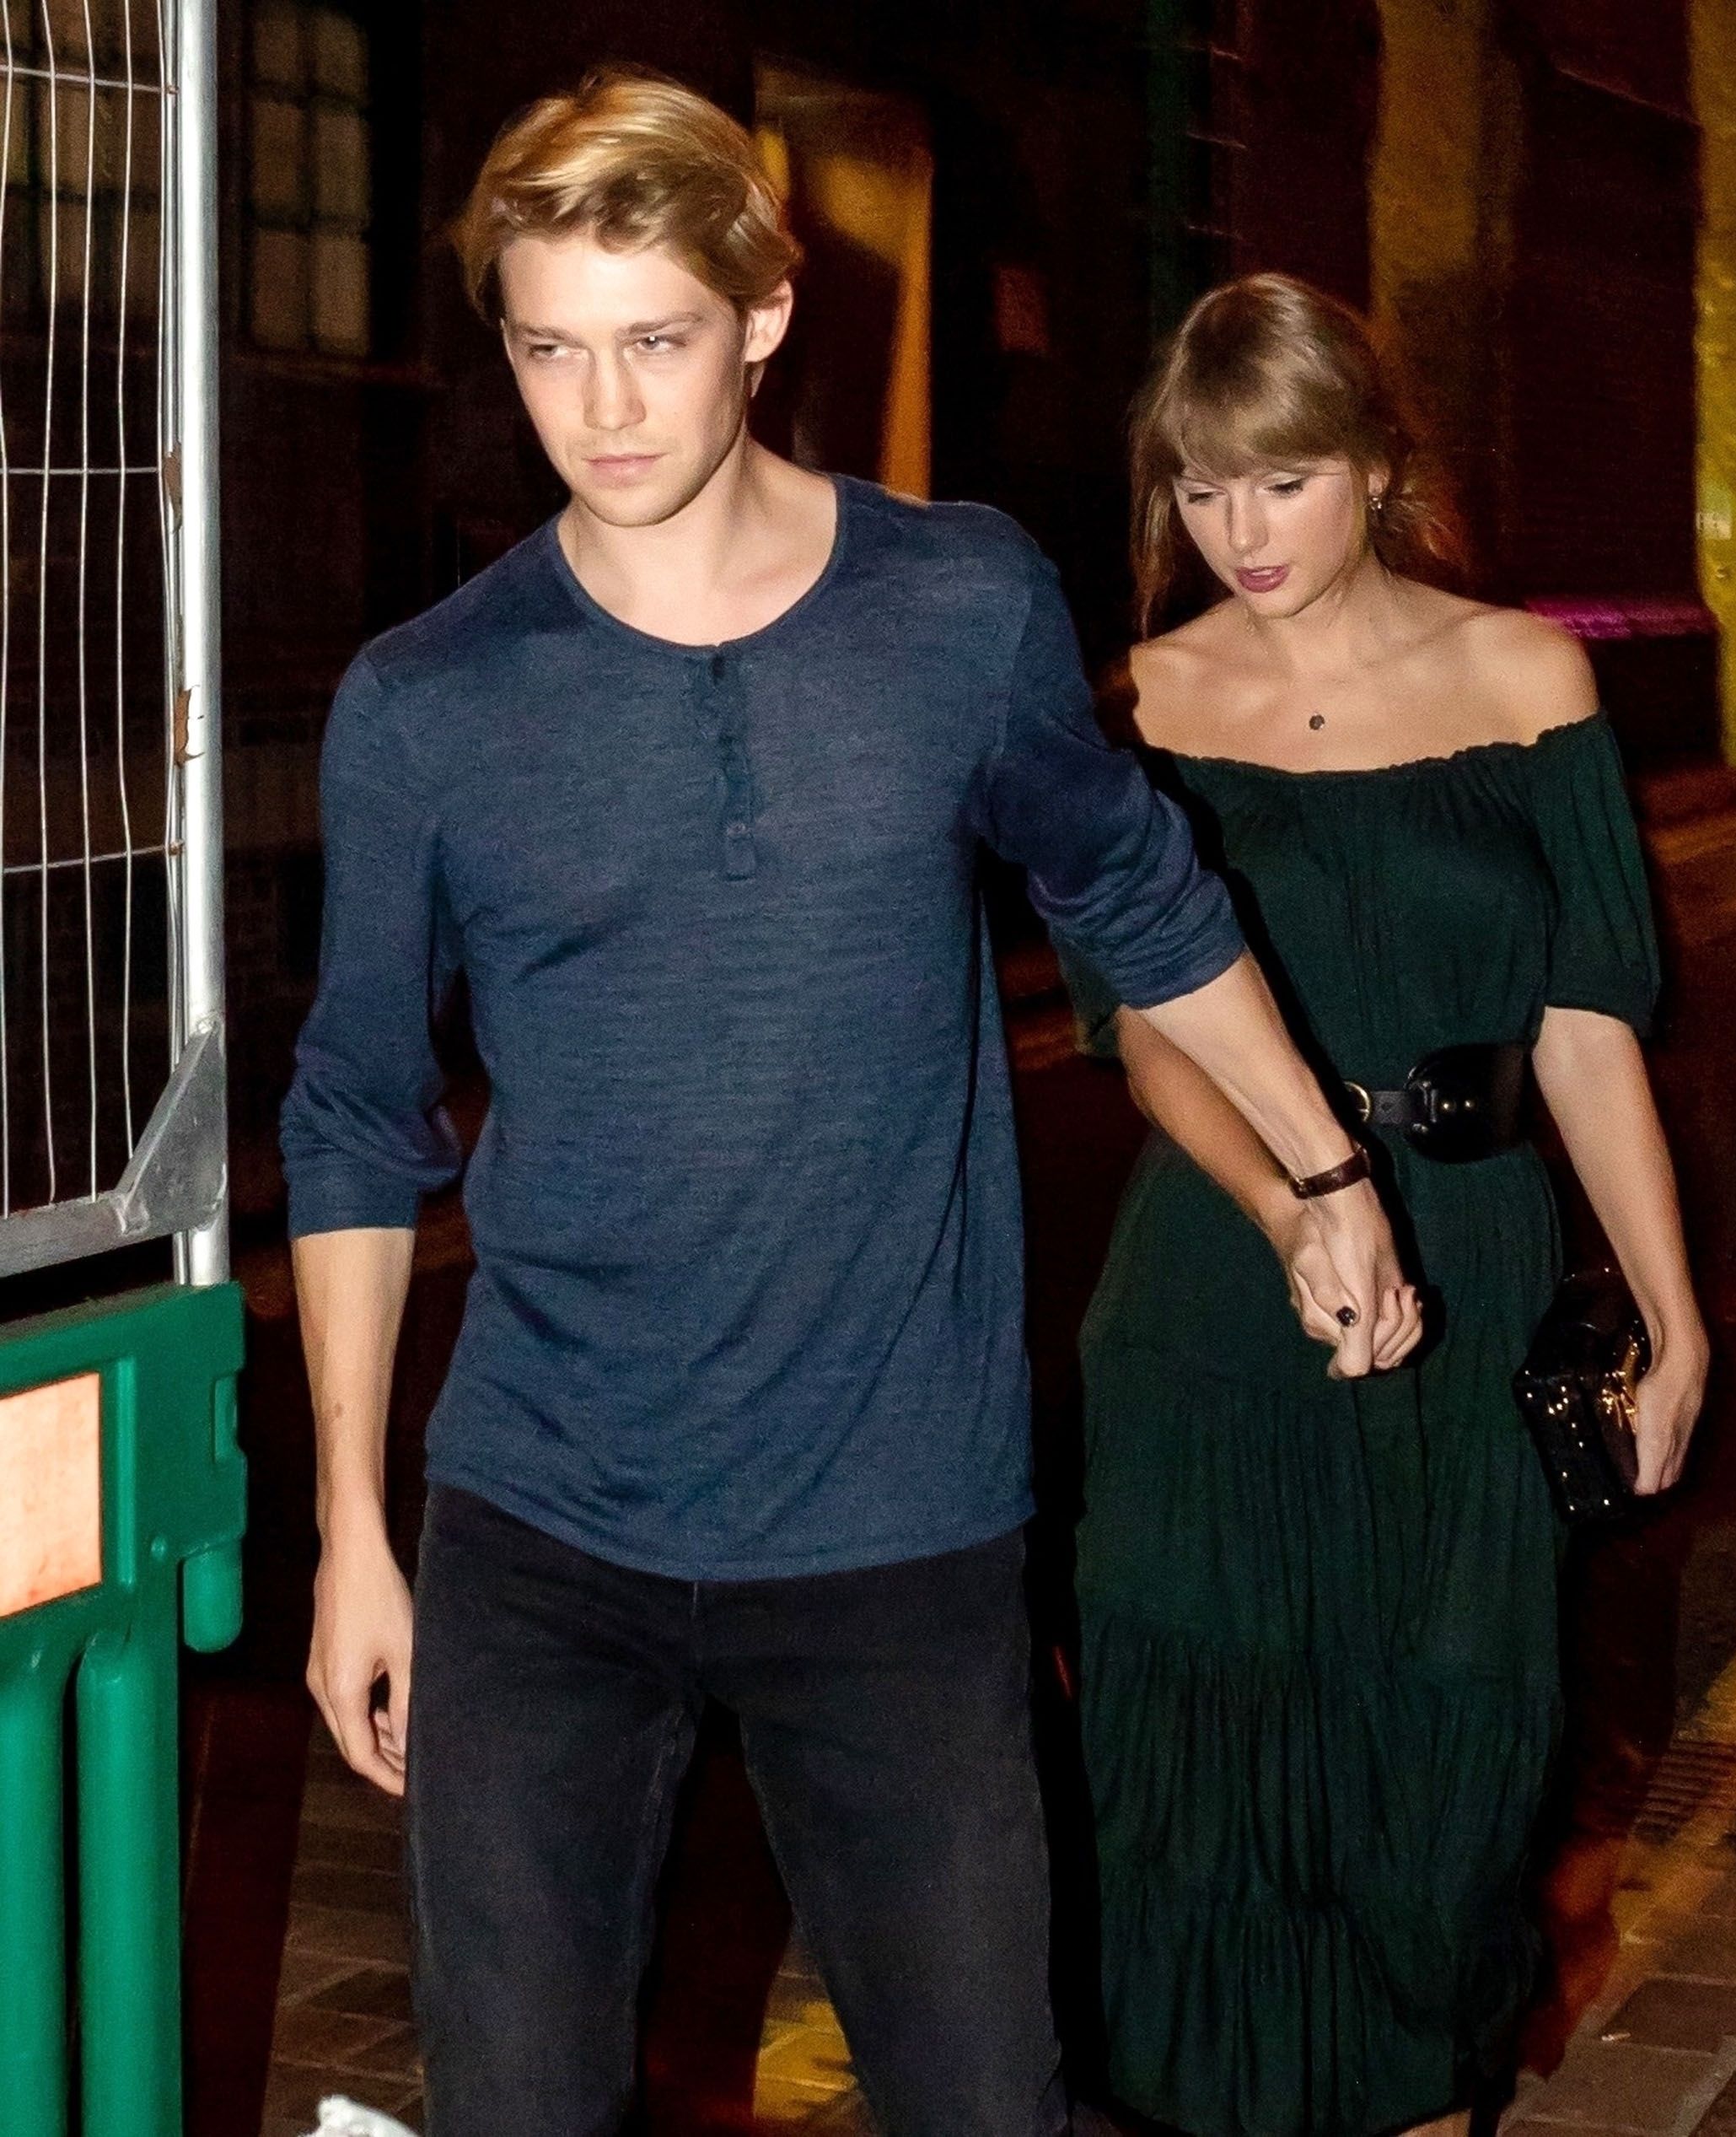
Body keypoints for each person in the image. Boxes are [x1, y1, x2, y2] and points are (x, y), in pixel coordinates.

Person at [280, 78, 1418, 2137]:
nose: (602, 408)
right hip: (545, 1525)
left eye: (654, 338)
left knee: (983, 2103)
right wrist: (355, 1534)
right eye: (548, 347)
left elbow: (1135, 894)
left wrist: (1322, 1165)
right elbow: (357, 1115)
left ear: (764, 313)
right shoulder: (429, 701)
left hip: (896, 1527)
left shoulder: (955, 608)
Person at [1061, 275, 1708, 2137]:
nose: (1240, 531)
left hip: (1473, 1263)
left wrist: (1671, 1320)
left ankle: (1422, 2103)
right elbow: (1151, 1034)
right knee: (1212, 1765)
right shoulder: (1148, 704)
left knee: (1448, 1751)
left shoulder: (1524, 676)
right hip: (1218, 1278)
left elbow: (1585, 1023)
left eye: (1280, 480)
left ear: (1372, 463)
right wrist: (1291, 1209)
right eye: (1200, 489)